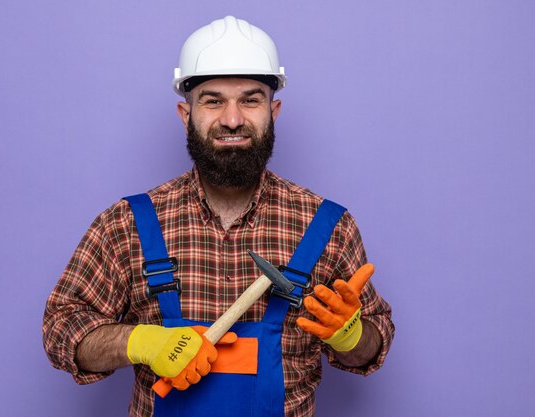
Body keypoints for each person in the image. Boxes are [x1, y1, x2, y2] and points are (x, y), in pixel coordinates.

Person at [43, 15, 395, 417]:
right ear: (185, 112)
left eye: (250, 99)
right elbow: (60, 329)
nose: (232, 119)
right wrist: (139, 341)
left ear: (274, 110)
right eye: (213, 100)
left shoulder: (327, 227)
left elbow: (373, 345)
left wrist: (352, 336)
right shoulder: (127, 224)